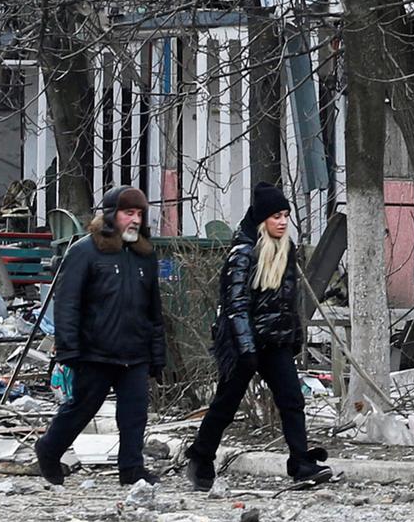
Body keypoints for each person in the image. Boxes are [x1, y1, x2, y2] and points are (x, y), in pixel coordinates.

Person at [186, 183, 330, 490]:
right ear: (262, 219)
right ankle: (201, 455)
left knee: (292, 400)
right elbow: (236, 306)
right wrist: (247, 349)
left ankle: (301, 463)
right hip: (243, 342)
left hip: (275, 341)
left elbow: (289, 300)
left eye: (286, 215)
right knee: (226, 403)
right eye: (276, 216)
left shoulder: (286, 249)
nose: (282, 221)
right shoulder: (243, 254)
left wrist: (293, 338)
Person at [34, 186, 166, 486]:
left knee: (135, 414)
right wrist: (68, 350)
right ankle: (49, 448)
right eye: (128, 213)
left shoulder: (145, 255)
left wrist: (157, 355)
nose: (135, 220)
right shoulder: (85, 251)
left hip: (135, 351)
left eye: (139, 214)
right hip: (95, 351)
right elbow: (67, 304)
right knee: (82, 408)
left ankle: (132, 469)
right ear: (110, 216)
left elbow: (154, 310)